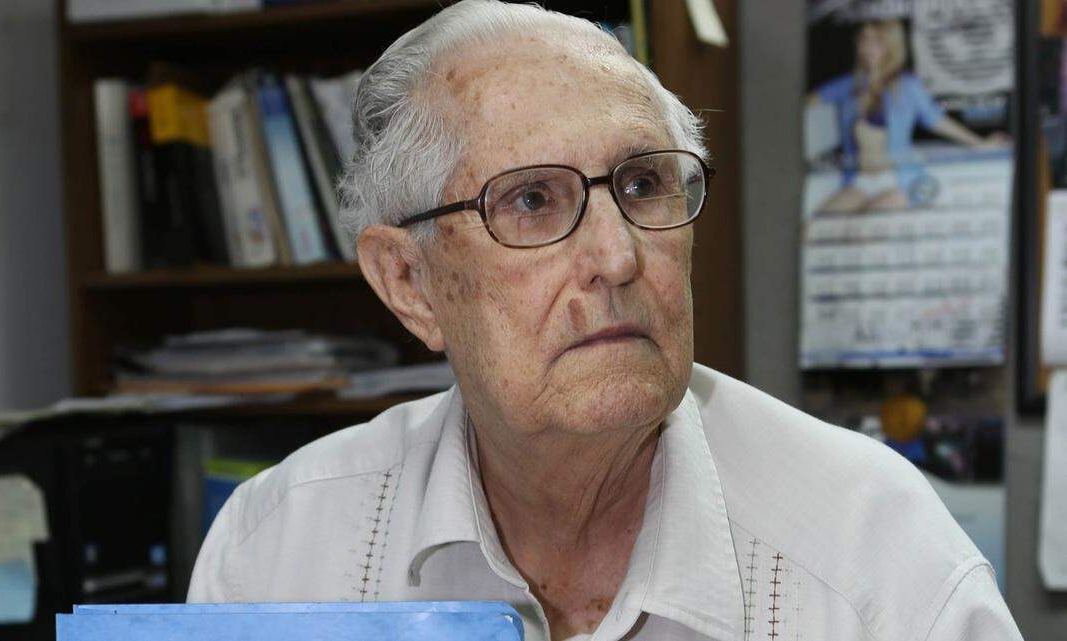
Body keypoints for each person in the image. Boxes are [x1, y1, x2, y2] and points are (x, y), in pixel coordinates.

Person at [188, 2, 1023, 639]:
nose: (618, 257)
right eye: (529, 199)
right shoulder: (278, 548)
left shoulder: (876, 554)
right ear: (409, 281)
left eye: (642, 185)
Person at [809, 19, 1008, 213]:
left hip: (897, 180)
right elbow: (808, 101)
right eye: (864, 39)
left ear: (891, 44)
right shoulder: (848, 84)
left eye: (877, 40)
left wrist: (979, 142)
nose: (868, 47)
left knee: (865, 229)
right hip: (859, 180)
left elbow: (936, 119)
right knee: (815, 228)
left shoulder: (907, 86)